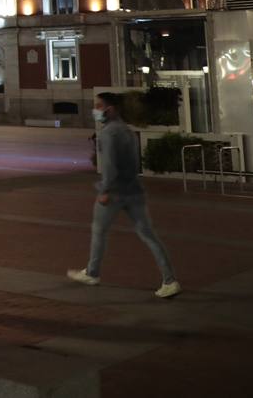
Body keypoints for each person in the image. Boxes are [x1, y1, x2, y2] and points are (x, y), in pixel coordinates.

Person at [67, 93, 181, 298]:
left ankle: (92, 273)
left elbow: (109, 166)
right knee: (149, 235)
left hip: (115, 192)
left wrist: (105, 190)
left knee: (99, 231)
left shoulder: (108, 133)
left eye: (98, 106)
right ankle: (169, 279)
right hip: (134, 190)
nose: (96, 110)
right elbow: (135, 162)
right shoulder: (128, 131)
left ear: (109, 109)